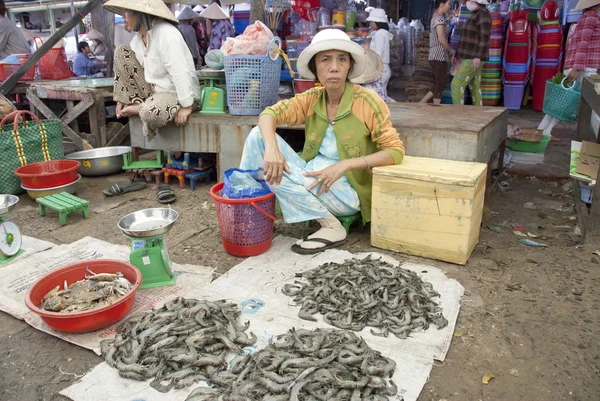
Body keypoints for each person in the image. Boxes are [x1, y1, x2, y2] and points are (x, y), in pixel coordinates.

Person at [239, 29, 405, 255]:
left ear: (349, 67)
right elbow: (269, 114)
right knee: (258, 139)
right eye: (326, 59)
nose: (334, 67)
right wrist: (271, 149)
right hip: (311, 177)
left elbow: (395, 152)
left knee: (273, 176)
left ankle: (331, 226)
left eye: (341, 59)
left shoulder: (367, 101)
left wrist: (345, 164)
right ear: (316, 67)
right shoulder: (312, 99)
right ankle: (248, 211)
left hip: (347, 191)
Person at [103, 0, 201, 140]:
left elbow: (180, 72)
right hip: (155, 92)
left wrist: (187, 106)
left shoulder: (166, 34)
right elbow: (134, 71)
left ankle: (139, 108)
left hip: (177, 94)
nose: (123, 17)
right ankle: (137, 105)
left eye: (126, 12)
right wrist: (122, 99)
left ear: (140, 14)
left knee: (149, 113)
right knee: (121, 52)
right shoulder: (137, 40)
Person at [538, 0, 600, 138]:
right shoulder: (591, 18)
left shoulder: (587, 17)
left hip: (580, 67)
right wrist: (577, 68)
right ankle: (542, 132)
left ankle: (542, 132)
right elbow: (583, 44)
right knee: (594, 107)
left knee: (561, 103)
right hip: (582, 68)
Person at [451, 0, 491, 106]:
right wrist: (457, 55)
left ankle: (460, 114)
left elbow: (484, 38)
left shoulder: (483, 14)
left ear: (476, 2)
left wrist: (477, 57)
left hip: (474, 57)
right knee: (474, 87)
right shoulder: (476, 14)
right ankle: (478, 114)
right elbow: (465, 37)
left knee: (456, 85)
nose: (466, 3)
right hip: (471, 56)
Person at [420, 0, 454, 104]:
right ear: (442, 4)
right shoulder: (439, 19)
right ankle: (436, 107)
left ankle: (422, 102)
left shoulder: (436, 17)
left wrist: (447, 19)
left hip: (435, 55)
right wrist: (451, 51)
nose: (450, 7)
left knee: (438, 82)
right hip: (439, 55)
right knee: (441, 83)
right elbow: (442, 39)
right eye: (449, 4)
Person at [365, 8, 394, 100]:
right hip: (384, 68)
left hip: (381, 68)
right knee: (382, 96)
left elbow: (378, 54)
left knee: (377, 97)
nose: (370, 24)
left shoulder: (380, 34)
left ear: (377, 22)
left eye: (371, 22)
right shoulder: (383, 33)